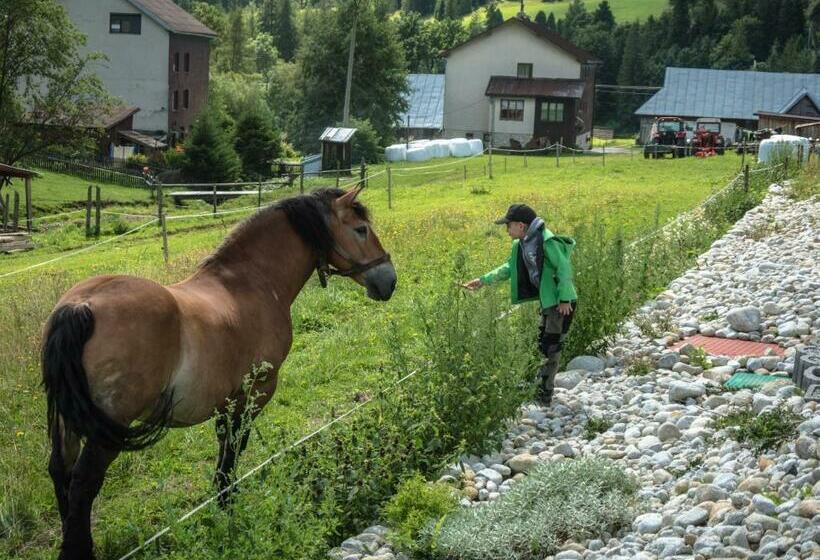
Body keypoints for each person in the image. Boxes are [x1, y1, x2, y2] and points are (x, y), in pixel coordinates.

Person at [463, 203, 577, 406]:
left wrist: (565, 299)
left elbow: (563, 268)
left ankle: (545, 393)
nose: (507, 230)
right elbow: (509, 268)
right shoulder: (522, 244)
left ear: (521, 226)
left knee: (551, 346)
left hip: (561, 304)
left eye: (509, 226)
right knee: (540, 343)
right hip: (548, 302)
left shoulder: (546, 241)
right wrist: (482, 281)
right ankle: (537, 386)